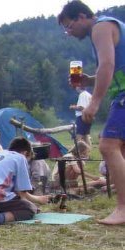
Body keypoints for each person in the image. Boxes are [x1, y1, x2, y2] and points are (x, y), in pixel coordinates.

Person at [58, 1, 125, 225]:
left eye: (69, 26)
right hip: (120, 92)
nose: (68, 32)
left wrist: (94, 103)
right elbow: (115, 68)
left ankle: (124, 208)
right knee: (121, 148)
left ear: (81, 16)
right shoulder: (109, 26)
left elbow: (107, 65)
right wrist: (89, 80)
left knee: (108, 145)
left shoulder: (100, 27)